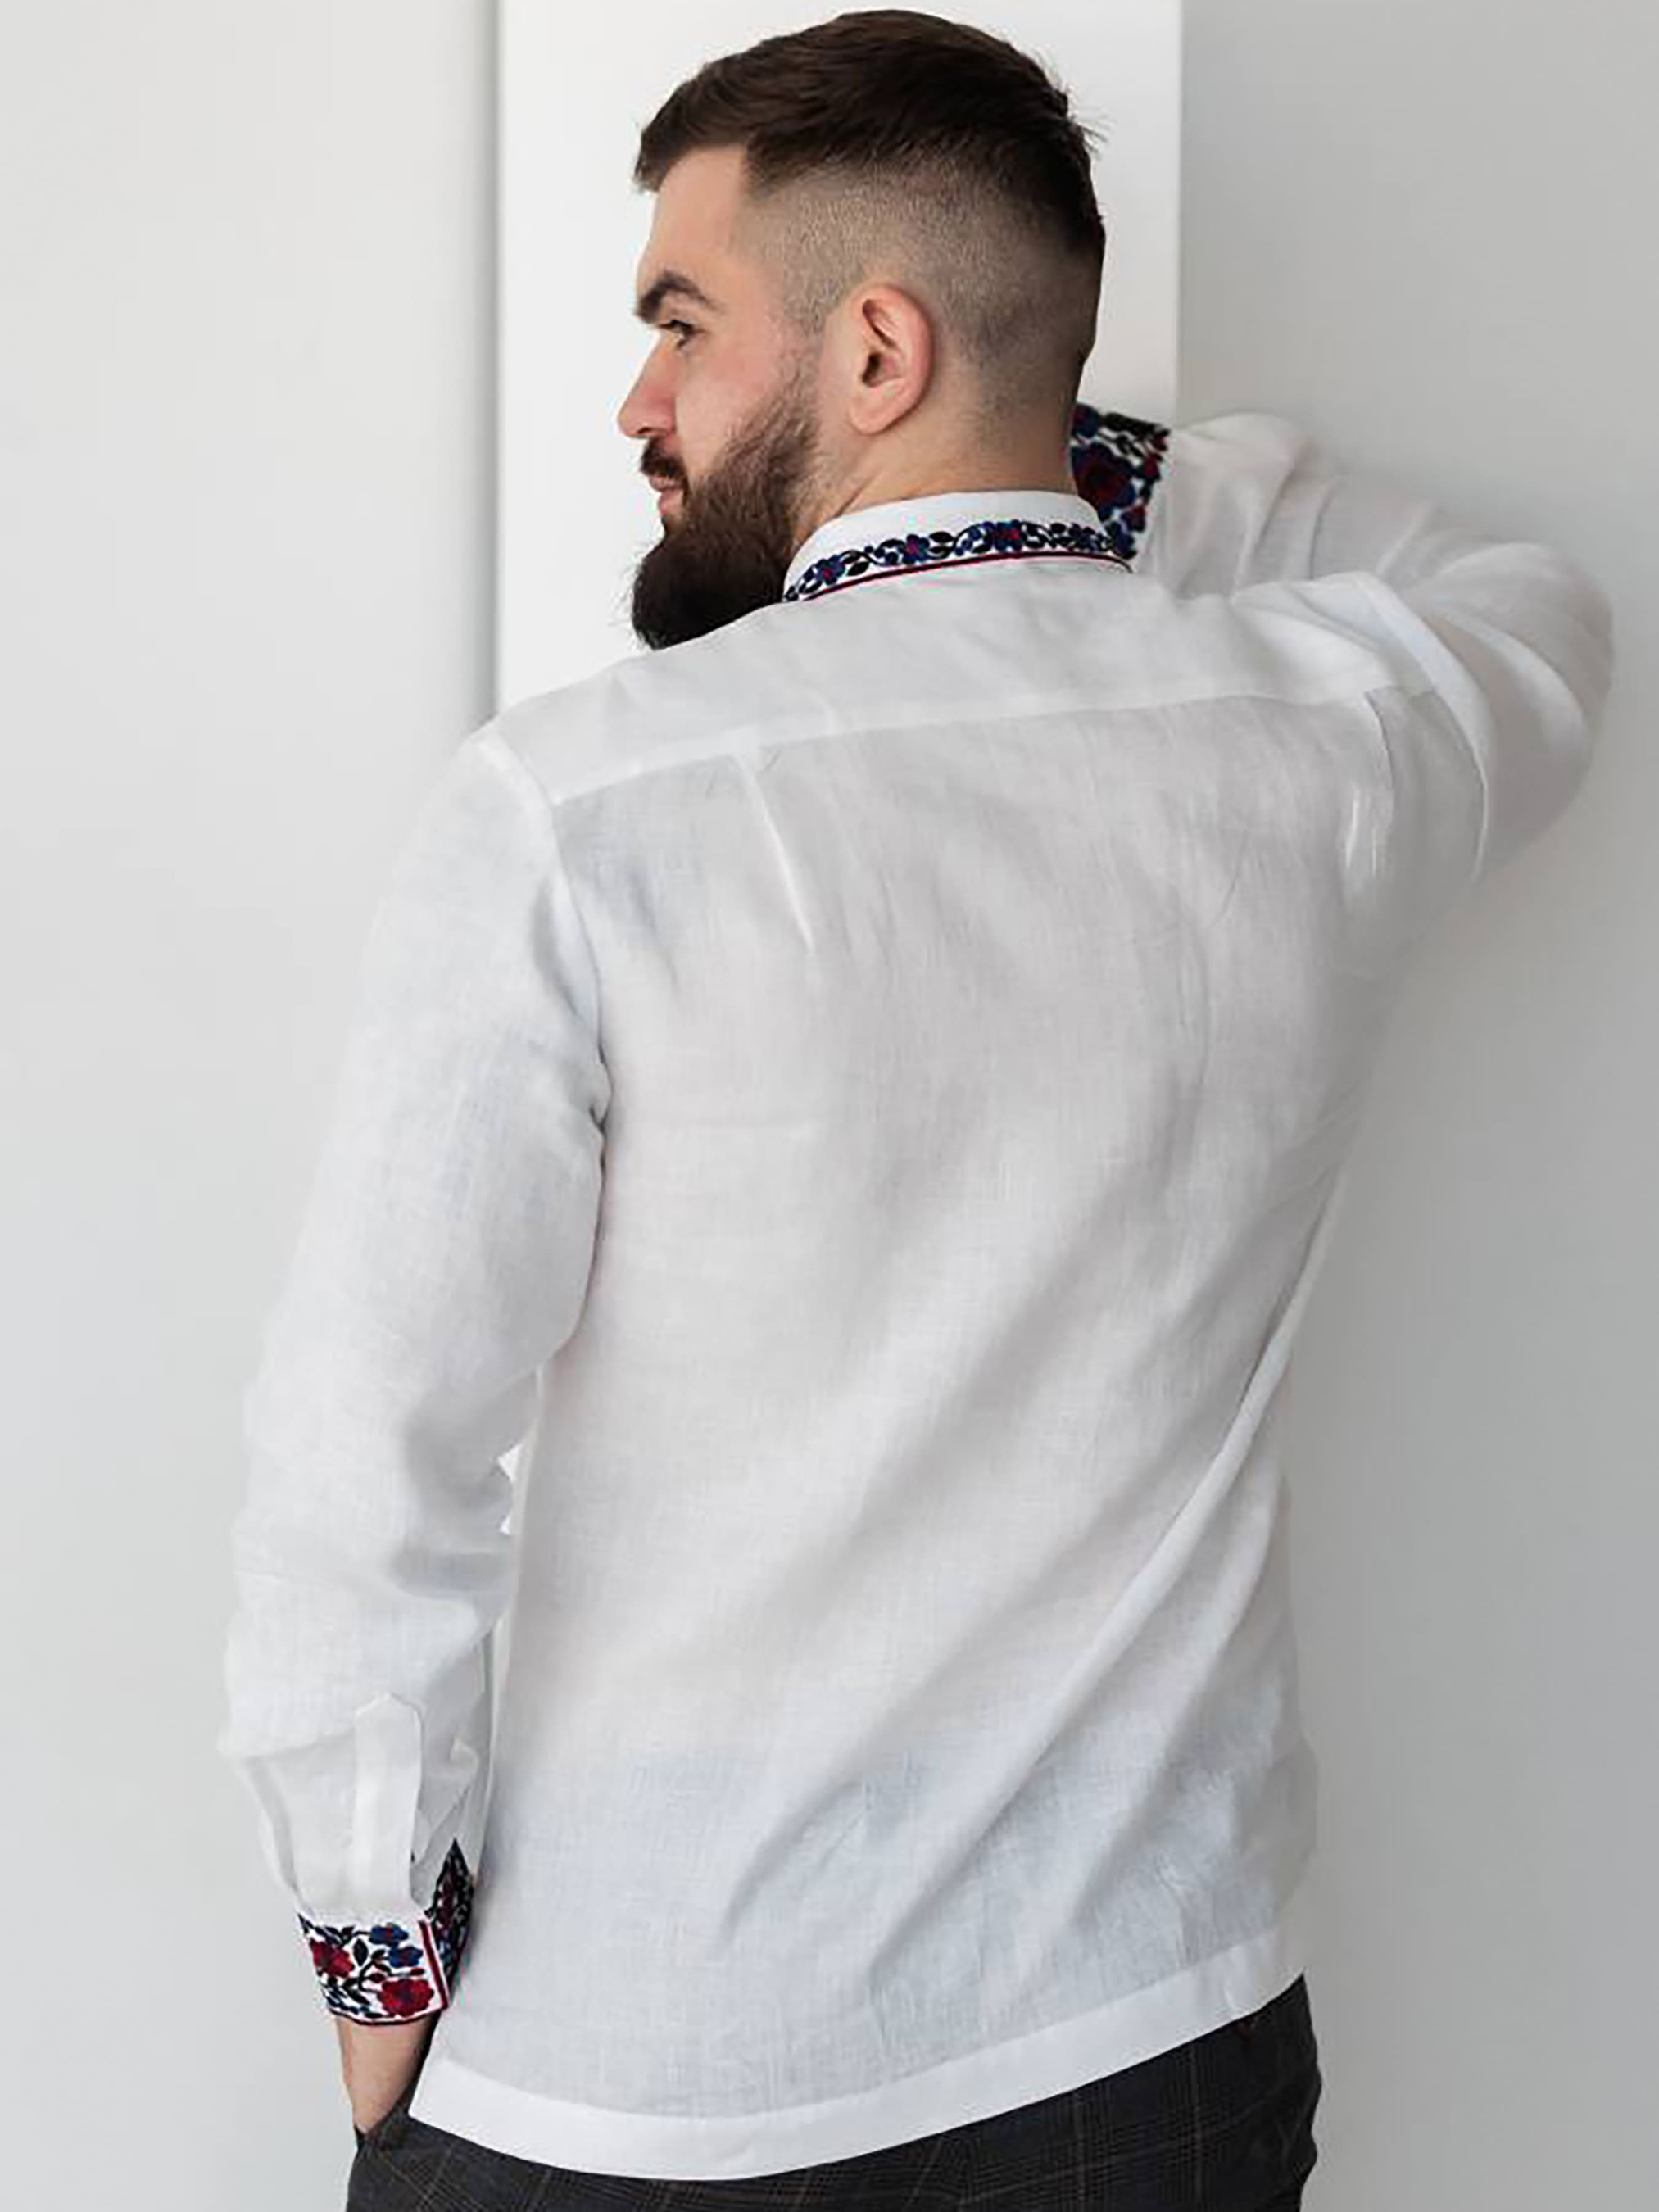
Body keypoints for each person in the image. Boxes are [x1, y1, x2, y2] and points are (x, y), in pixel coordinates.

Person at [215, 13, 1616, 2210]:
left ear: (876, 351)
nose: (640, 402)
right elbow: (1534, 614)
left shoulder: (579, 807)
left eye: (682, 322)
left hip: (652, 2063)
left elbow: (363, 1449)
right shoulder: (1329, 738)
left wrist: (371, 1932)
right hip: (1147, 2039)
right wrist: (1080, 452)